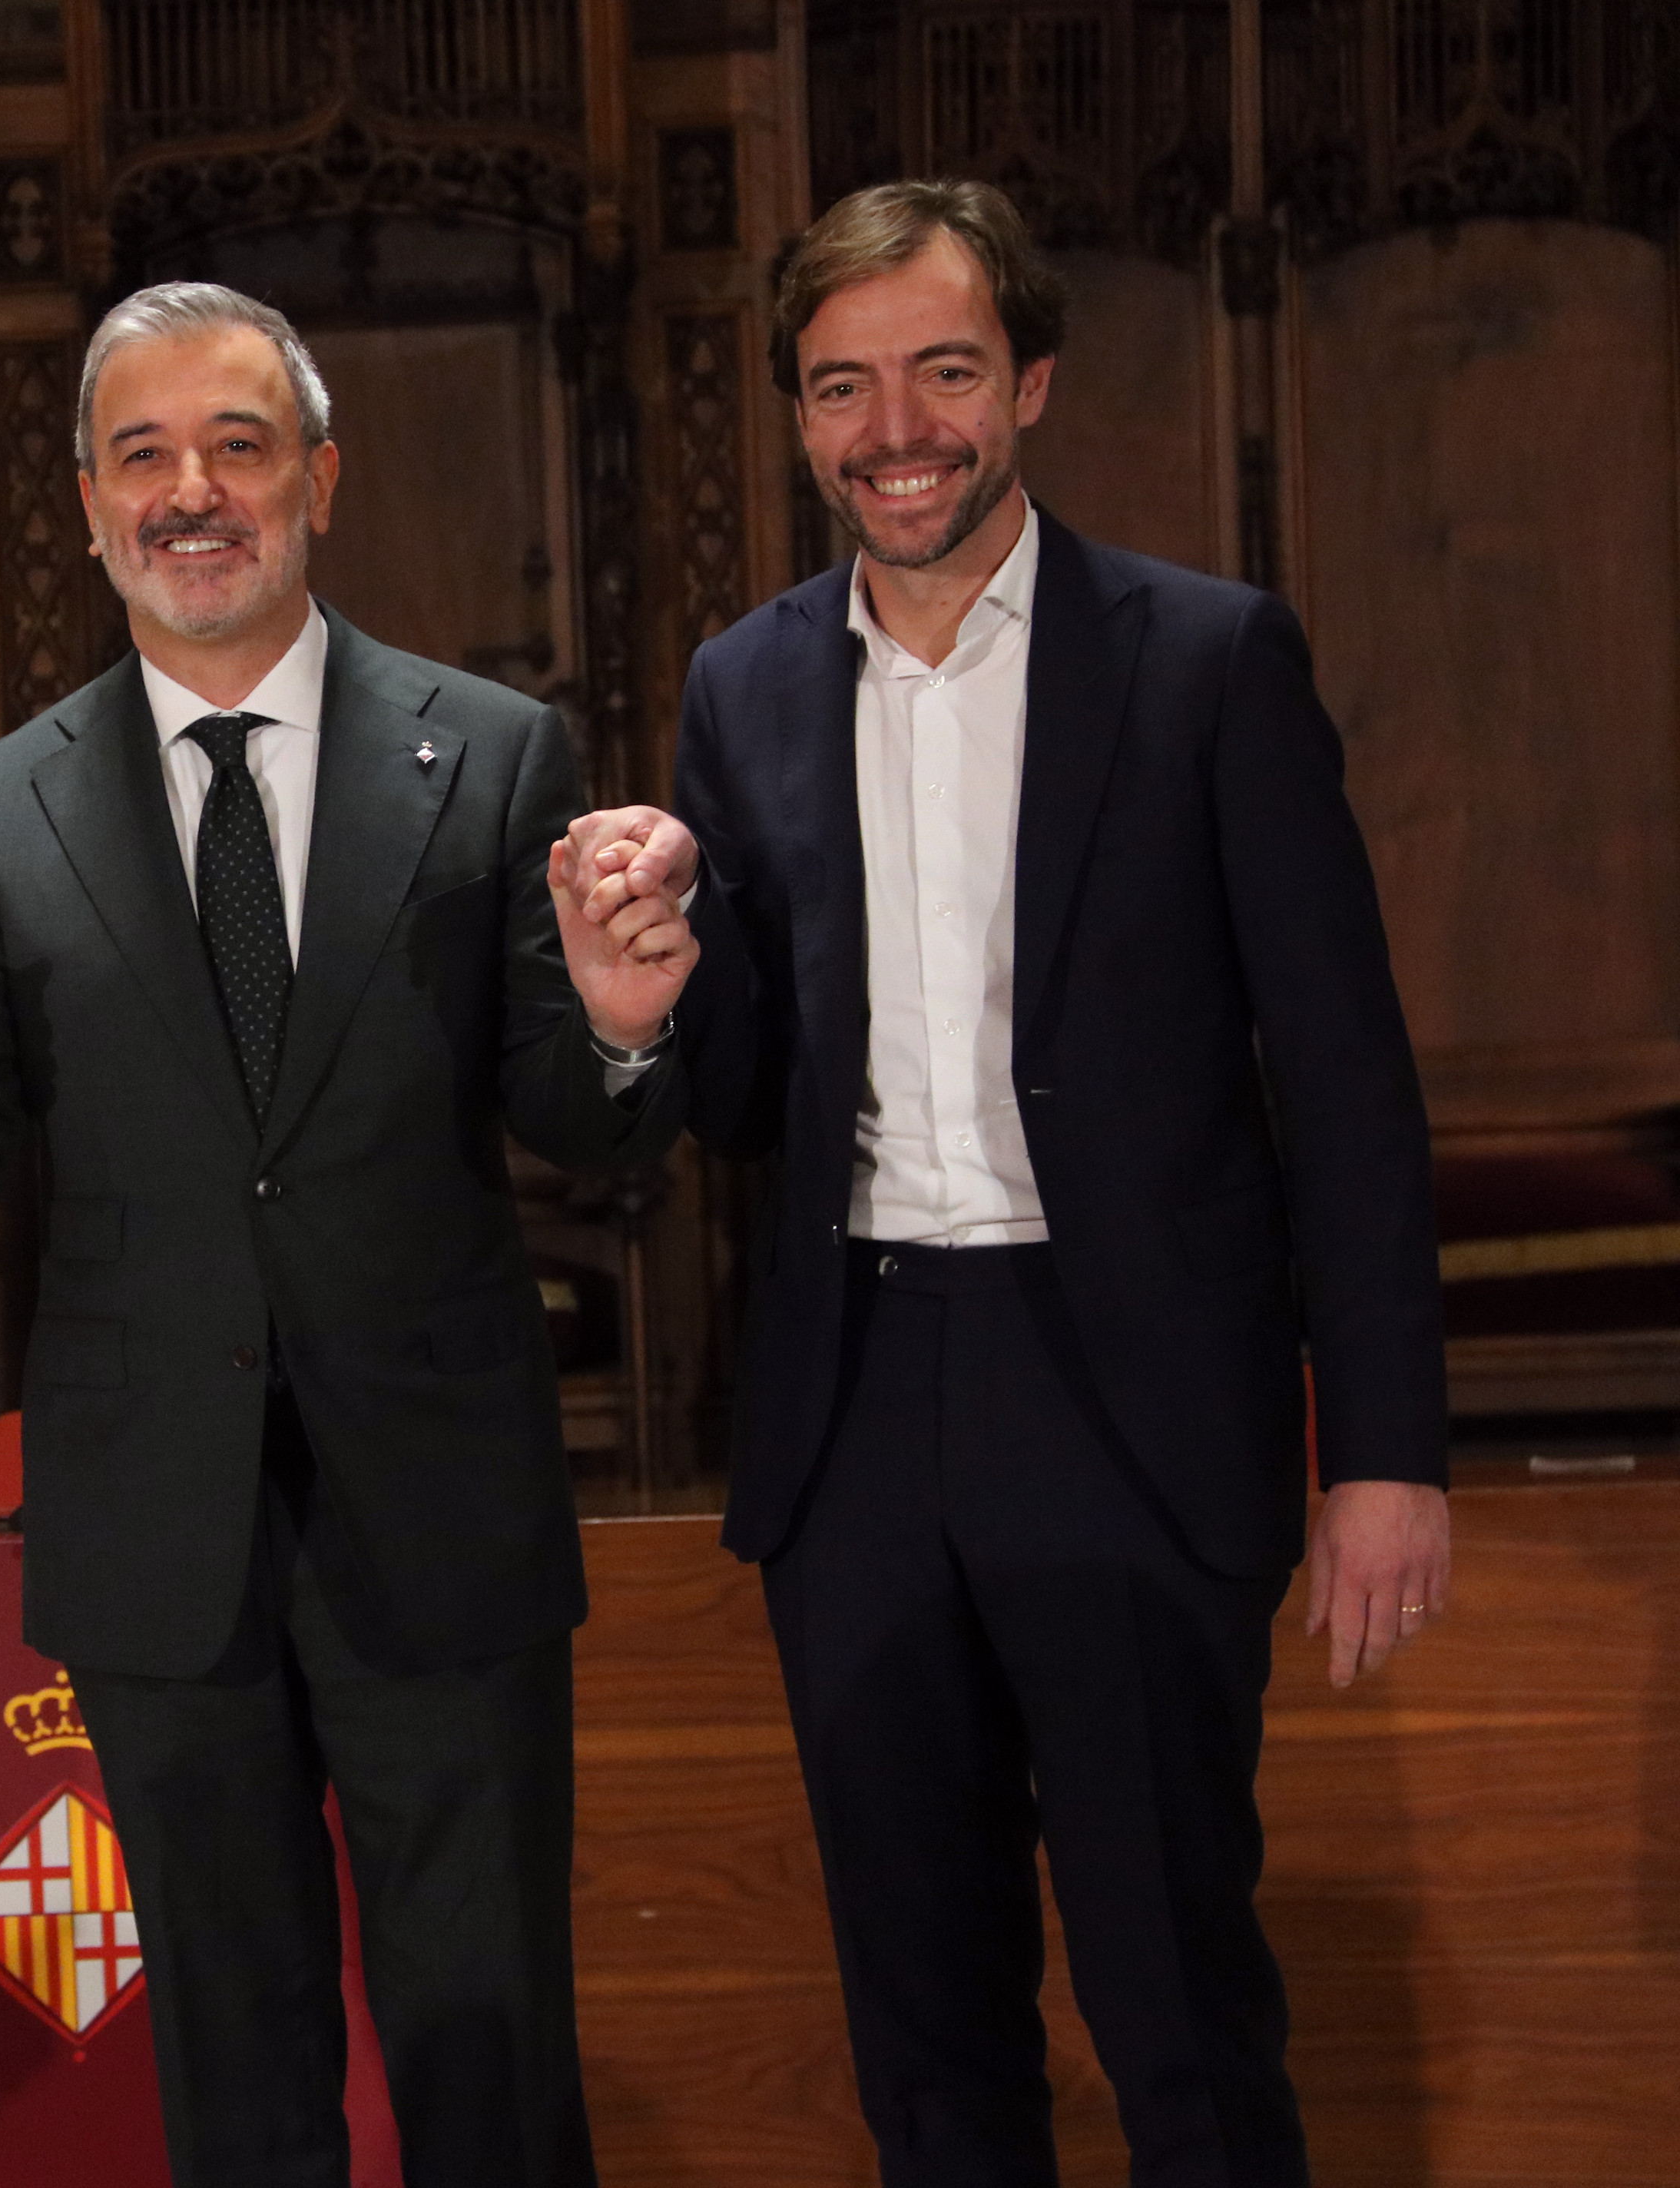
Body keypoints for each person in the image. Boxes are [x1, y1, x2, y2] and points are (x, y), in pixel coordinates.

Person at [0, 281, 694, 2187]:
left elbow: (583, 1130)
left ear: (319, 479)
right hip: (160, 1538)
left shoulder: (492, 754)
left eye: (237, 446)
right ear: (86, 504)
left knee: (489, 2043)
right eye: (143, 456)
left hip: (442, 1518)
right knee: (236, 2076)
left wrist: (625, 1020)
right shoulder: (7, 806)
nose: (193, 493)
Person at [574, 178, 1451, 2186]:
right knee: (921, 2021)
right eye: (844, 386)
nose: (898, 428)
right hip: (858, 1417)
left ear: (1030, 382)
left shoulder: (1210, 660)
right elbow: (728, 1099)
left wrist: (1386, 1446)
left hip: (1130, 1402)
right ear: (801, 420)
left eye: (944, 372)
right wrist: (638, 1014)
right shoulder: (746, 687)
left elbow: (1343, 1076)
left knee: (1175, 1999)